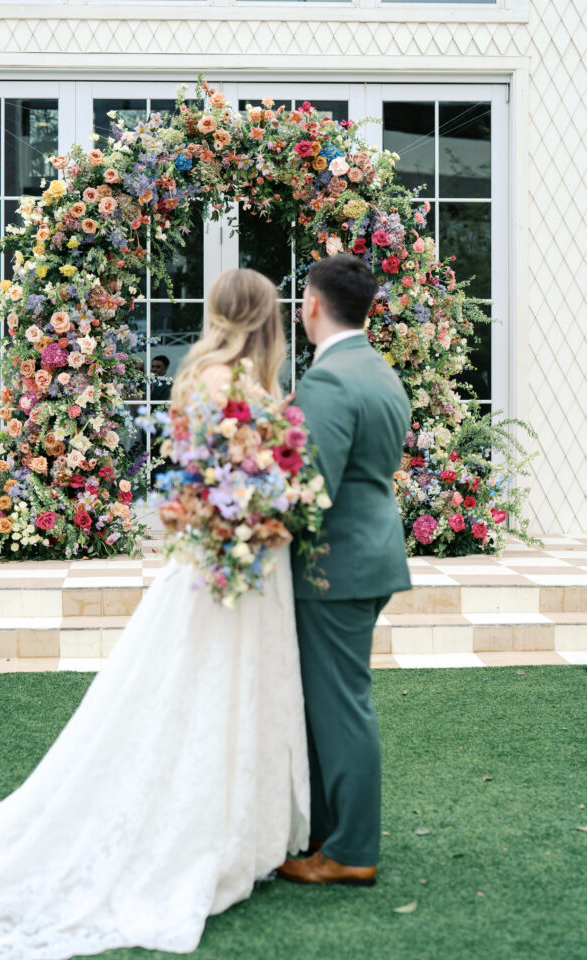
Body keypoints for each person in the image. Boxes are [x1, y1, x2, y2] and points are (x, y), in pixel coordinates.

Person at [0, 269, 310, 960]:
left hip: (233, 552)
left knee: (217, 684)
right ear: (267, 315)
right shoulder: (223, 382)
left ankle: (230, 822)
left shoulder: (210, 375)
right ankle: (201, 827)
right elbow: (217, 471)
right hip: (222, 553)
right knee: (198, 682)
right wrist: (253, 503)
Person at [277, 254, 412, 887]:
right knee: (329, 701)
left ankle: (351, 850)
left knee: (339, 707)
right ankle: (323, 835)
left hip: (335, 567)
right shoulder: (381, 372)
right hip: (372, 553)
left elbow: (310, 485)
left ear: (311, 306)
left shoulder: (329, 381)